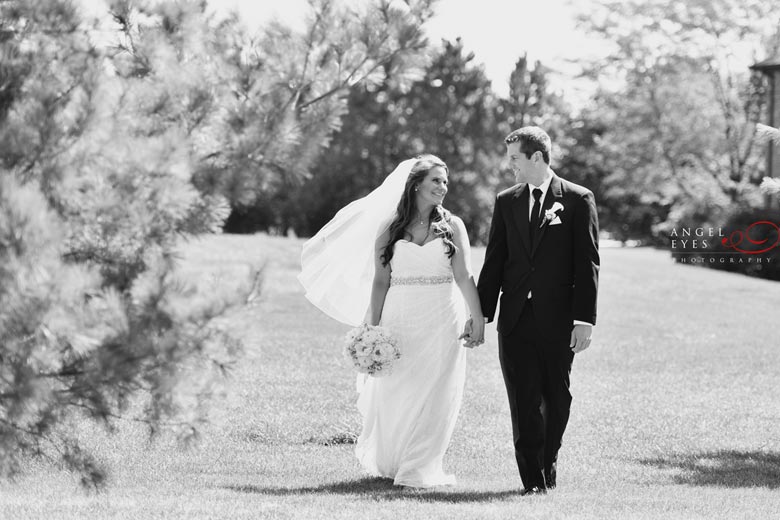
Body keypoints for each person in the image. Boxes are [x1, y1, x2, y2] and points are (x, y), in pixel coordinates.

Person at [299, 154, 484, 488]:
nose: (443, 187)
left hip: (444, 317)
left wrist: (478, 318)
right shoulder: (389, 229)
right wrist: (372, 328)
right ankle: (395, 460)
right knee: (400, 389)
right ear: (415, 185)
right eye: (435, 181)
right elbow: (381, 281)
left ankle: (419, 466)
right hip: (401, 316)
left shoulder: (452, 226)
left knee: (438, 391)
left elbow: (464, 276)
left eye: (445, 182)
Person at [470, 126, 600, 495]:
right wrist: (480, 314)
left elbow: (587, 262)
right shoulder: (506, 201)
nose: (509, 165)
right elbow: (495, 261)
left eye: (514, 158)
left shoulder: (577, 199)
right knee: (523, 400)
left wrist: (584, 319)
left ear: (537, 158)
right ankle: (532, 481)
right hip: (514, 319)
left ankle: (548, 464)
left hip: (559, 320)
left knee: (557, 400)